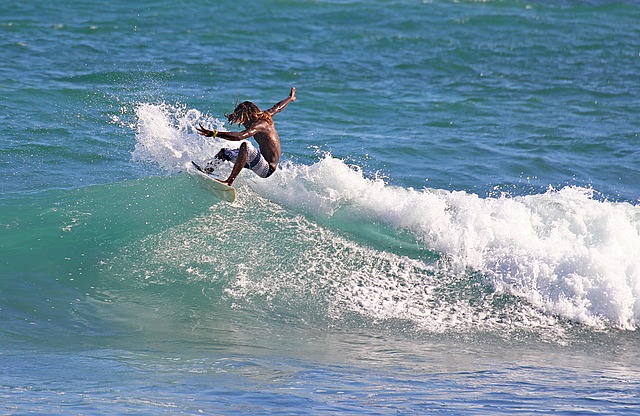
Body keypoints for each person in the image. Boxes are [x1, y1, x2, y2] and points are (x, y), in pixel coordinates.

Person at [196, 87, 296, 186]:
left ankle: (229, 181)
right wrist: (289, 98)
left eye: (242, 119)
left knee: (246, 146)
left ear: (248, 115)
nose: (243, 123)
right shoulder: (266, 115)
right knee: (224, 153)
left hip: (267, 169)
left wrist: (215, 133)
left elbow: (240, 136)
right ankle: (207, 171)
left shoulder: (259, 125)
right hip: (258, 163)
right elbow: (278, 107)